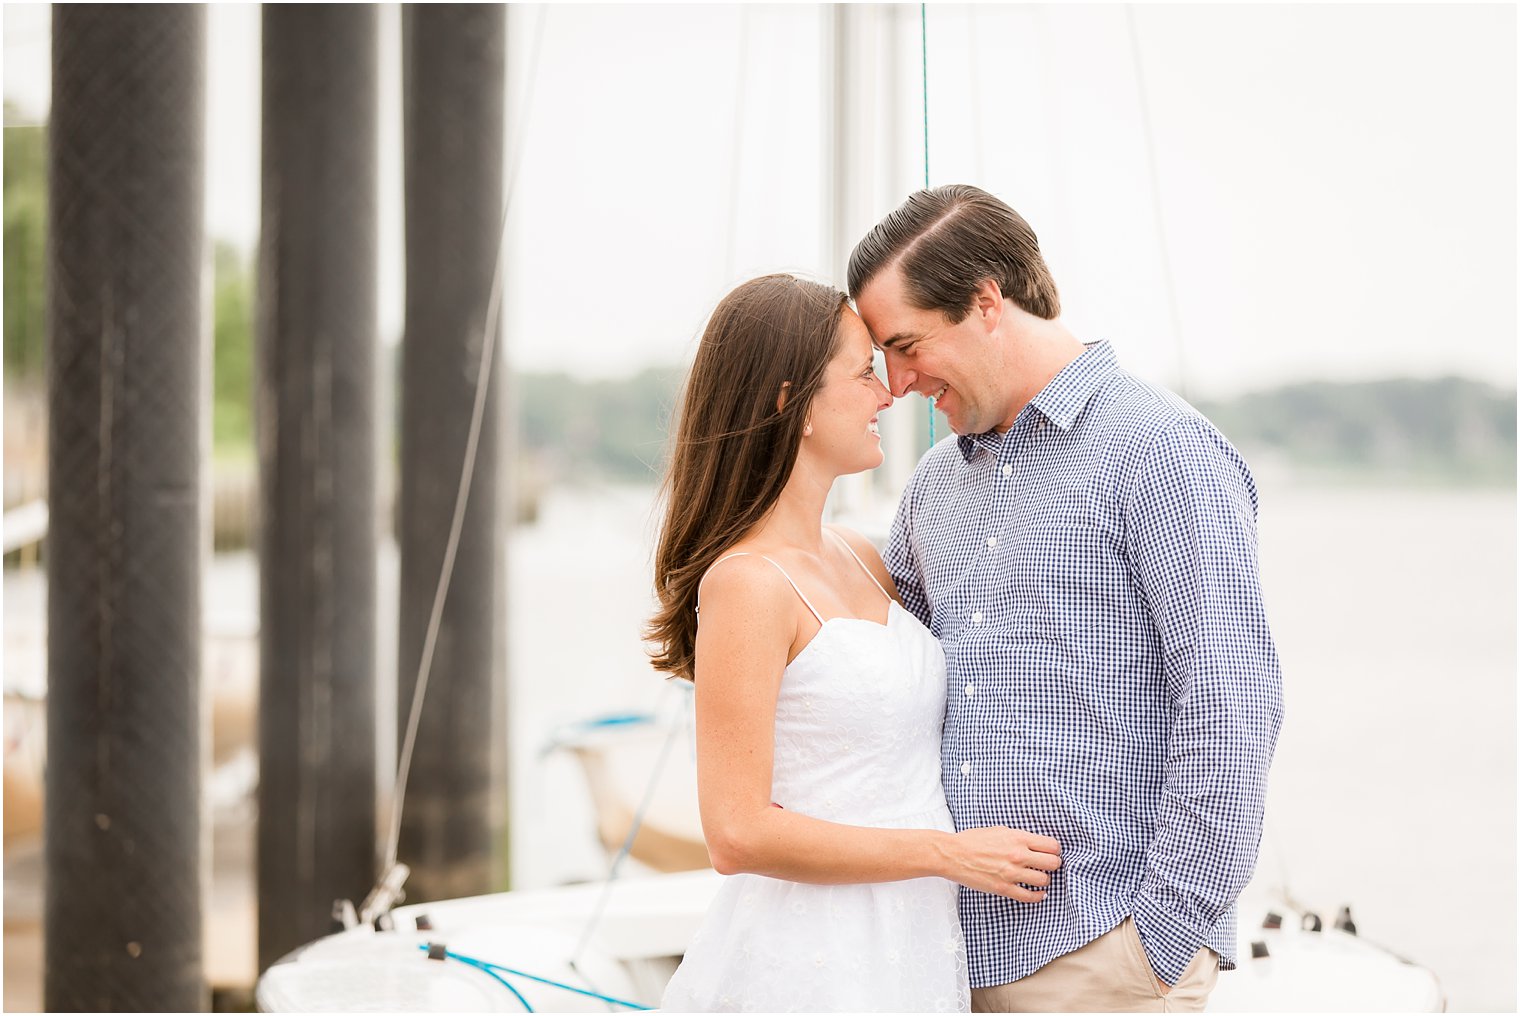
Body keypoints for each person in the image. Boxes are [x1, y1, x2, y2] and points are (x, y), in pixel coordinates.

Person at [847, 185, 1284, 1014]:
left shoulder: (1162, 451)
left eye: (905, 345)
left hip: (1101, 958)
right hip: (936, 958)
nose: (896, 382)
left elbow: (1233, 703)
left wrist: (1158, 937)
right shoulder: (935, 485)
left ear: (985, 304)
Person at [648, 274, 1063, 1013]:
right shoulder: (747, 584)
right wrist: (948, 854)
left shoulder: (860, 557)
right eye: (864, 371)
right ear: (790, 404)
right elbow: (736, 833)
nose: (887, 393)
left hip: (913, 943)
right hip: (812, 960)